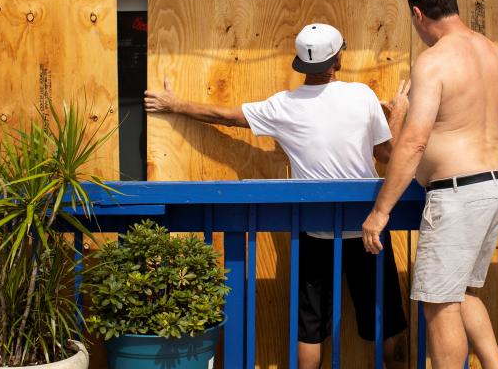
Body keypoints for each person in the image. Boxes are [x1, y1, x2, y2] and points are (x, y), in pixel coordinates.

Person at [145, 23, 409, 369]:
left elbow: (225, 116)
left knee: (309, 330)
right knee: (386, 323)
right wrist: (399, 115)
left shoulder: (282, 106)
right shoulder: (361, 96)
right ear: (336, 61)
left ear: (302, 64)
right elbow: (390, 156)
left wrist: (175, 103)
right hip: (366, 228)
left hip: (313, 231)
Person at [361, 0, 498, 369]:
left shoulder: (433, 63)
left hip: (458, 195)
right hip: (496, 186)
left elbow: (415, 140)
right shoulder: (494, 51)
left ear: (418, 15)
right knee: (463, 293)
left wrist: (380, 211)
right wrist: (475, 143)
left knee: (439, 304)